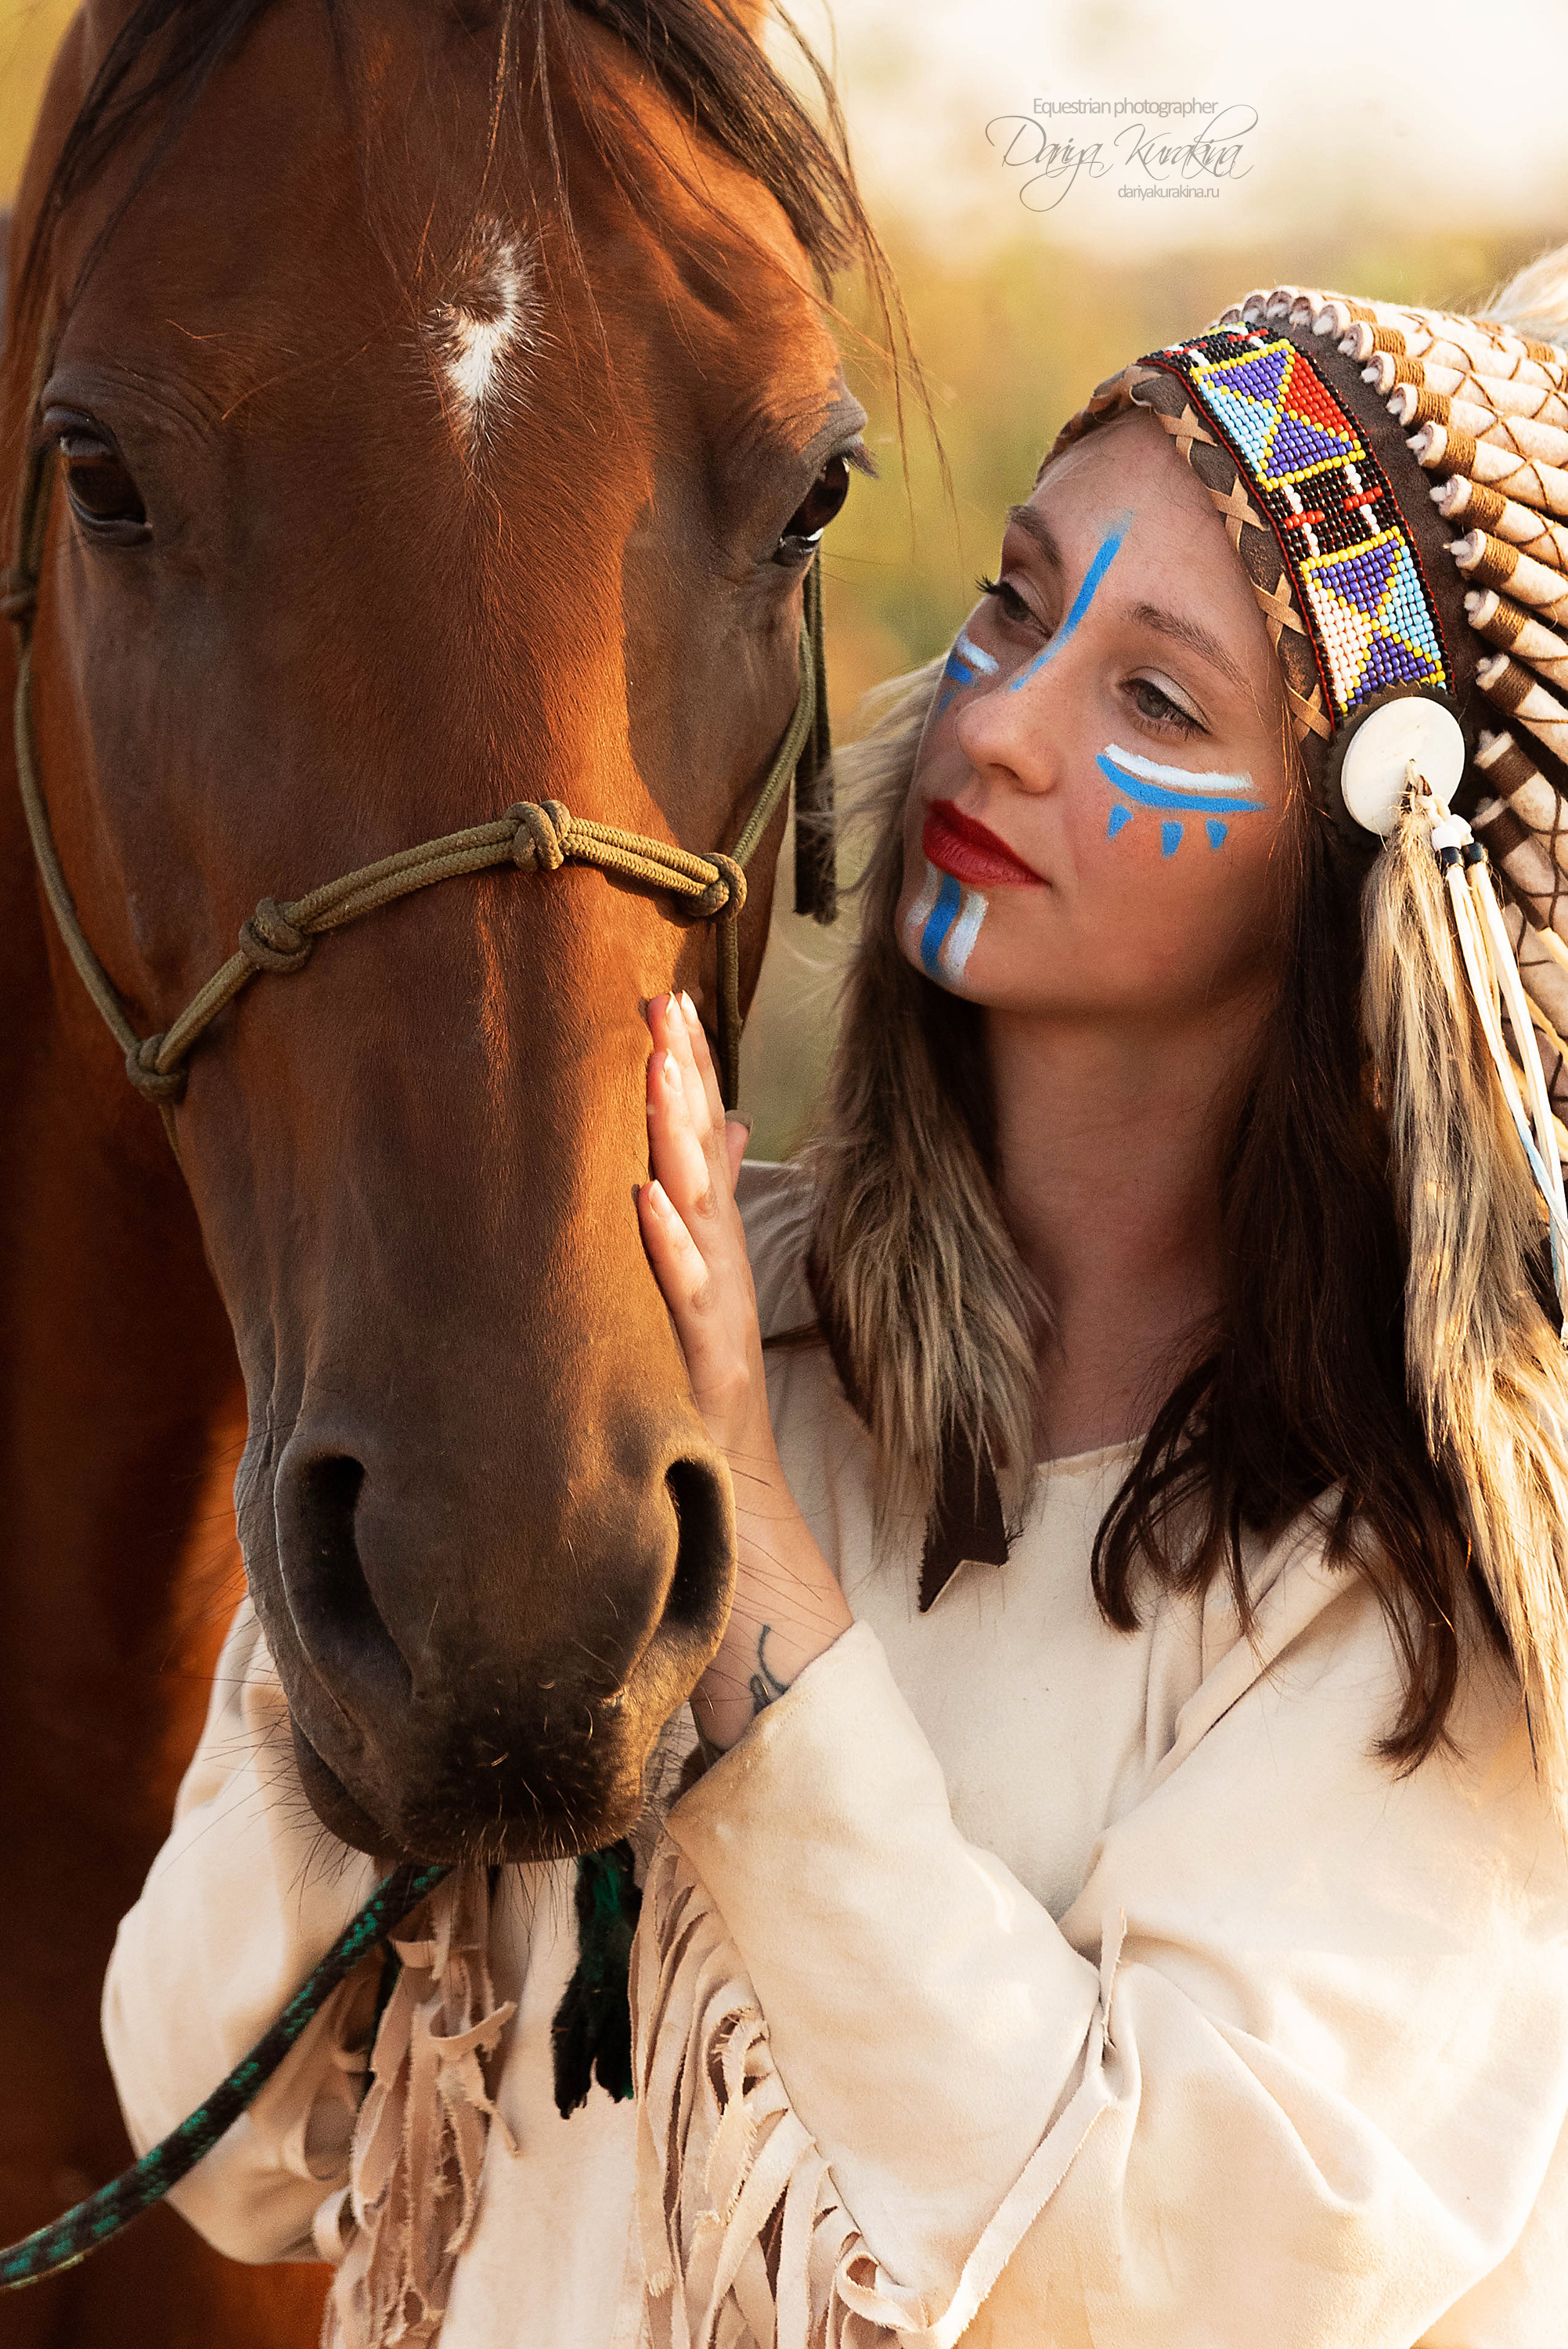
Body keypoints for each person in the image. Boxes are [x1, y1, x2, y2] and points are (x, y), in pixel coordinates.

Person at [104, 259, 1568, 2348]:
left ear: (1355, 905)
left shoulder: (1438, 1607)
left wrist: (758, 1589)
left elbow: (1130, 2279)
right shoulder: (652, 1340)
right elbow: (220, 2140)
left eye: (1149, 701)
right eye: (1009, 601)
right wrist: (456, 1469)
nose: (999, 718)